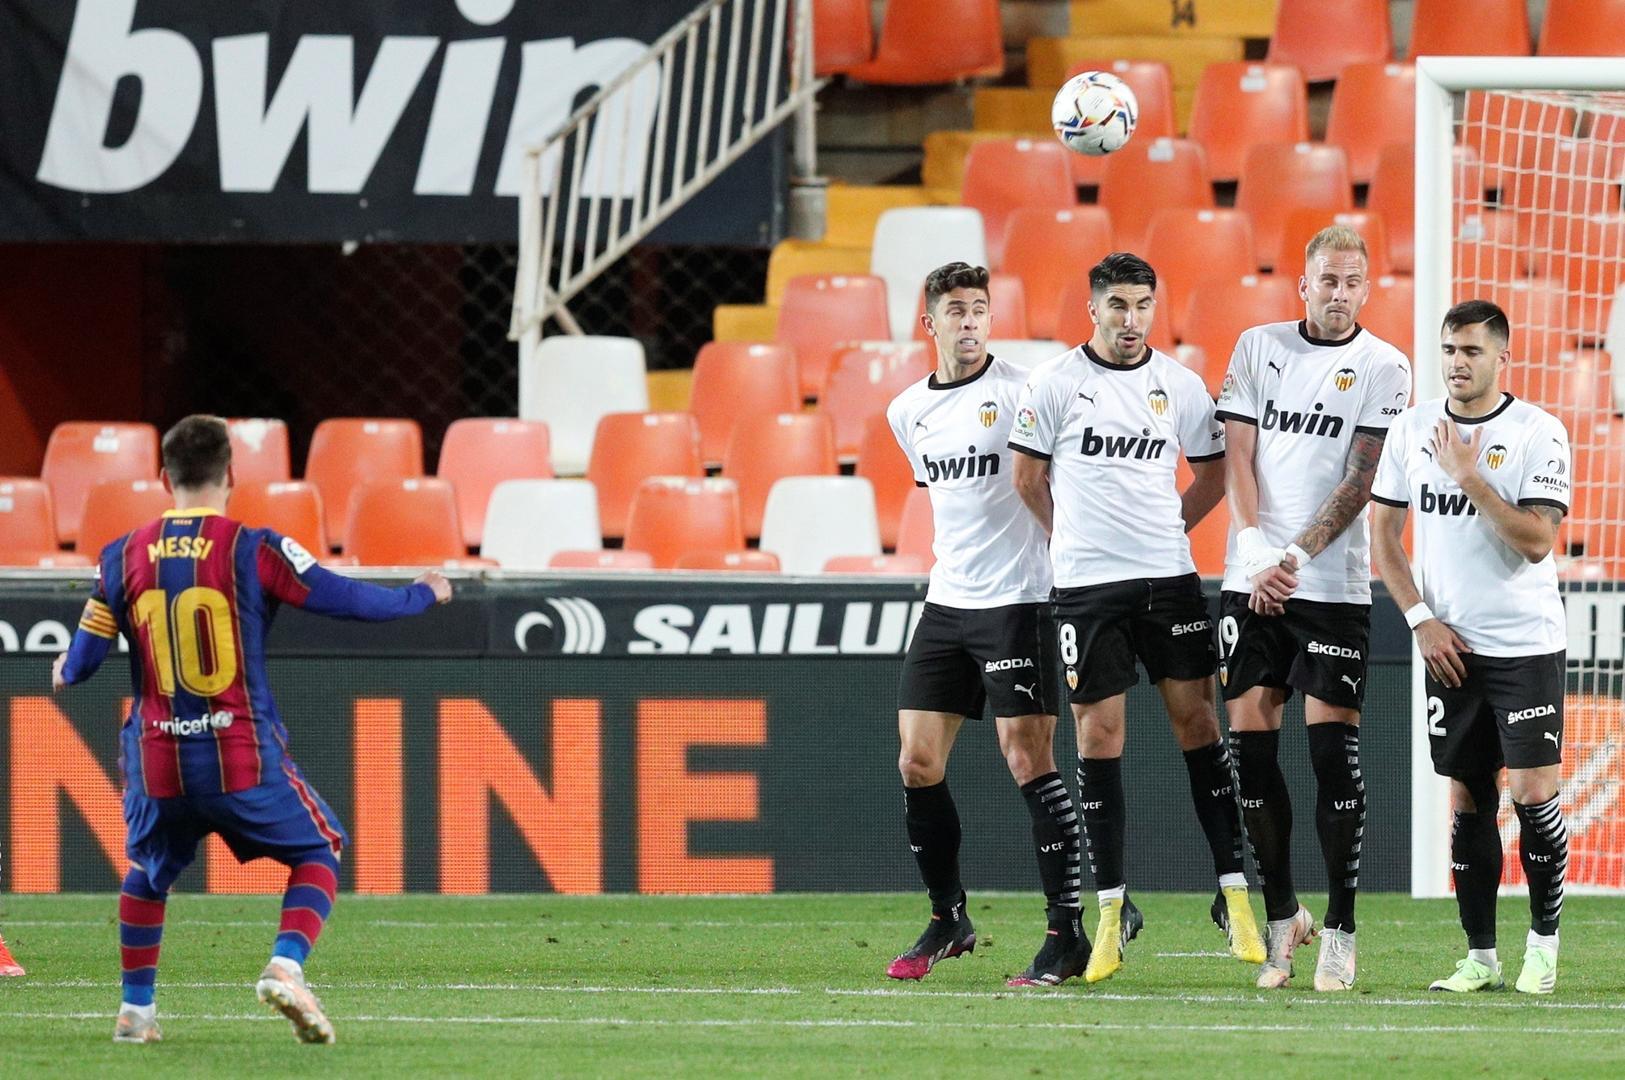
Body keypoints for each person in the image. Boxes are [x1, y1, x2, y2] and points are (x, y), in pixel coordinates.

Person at [51, 415, 452, 1044]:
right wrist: (422, 594)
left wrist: (63, 667)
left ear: (165, 479)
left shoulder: (119, 556)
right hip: (237, 753)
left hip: (157, 761)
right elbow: (349, 600)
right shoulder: (253, 548)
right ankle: (285, 965)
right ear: (231, 475)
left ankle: (136, 1012)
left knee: (148, 872)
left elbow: (79, 666)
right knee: (319, 850)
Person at [1010, 252, 1265, 984]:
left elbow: (1214, 473)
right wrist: (1072, 540)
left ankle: (1233, 897)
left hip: (1167, 582)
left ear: (1155, 308)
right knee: (1098, 734)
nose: (1131, 319)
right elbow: (1027, 478)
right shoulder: (1054, 384)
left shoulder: (1178, 385)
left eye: (1143, 305)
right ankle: (1112, 910)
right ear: (1092, 308)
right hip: (1088, 589)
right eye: (1118, 305)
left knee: (1200, 724)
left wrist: (1167, 530)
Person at [1213, 225, 1412, 991]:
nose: (1339, 293)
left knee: (1332, 758)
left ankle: (1340, 929)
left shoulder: (1384, 366)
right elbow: (1236, 459)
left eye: (1352, 281)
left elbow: (1360, 480)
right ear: (1303, 284)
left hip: (1329, 589)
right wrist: (1255, 553)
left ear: (1366, 289)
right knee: (1252, 759)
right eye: (1327, 279)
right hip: (1250, 582)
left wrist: (1290, 560)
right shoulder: (1255, 347)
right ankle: (1282, 918)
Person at [884, 262, 1086, 987]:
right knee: (916, 763)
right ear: (929, 323)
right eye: (955, 311)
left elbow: (1061, 480)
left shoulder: (1024, 392)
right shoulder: (907, 411)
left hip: (1020, 600)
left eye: (978, 309)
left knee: (1028, 759)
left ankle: (1066, 931)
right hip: (947, 602)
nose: (969, 322)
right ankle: (948, 918)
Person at [1370, 300, 1571, 995]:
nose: (1457, 363)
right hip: (1447, 647)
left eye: (1472, 351)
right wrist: (1419, 620)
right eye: (1449, 349)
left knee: (1533, 795)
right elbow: (1382, 537)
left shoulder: (1536, 432)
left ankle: (1541, 948)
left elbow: (1537, 541)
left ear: (1501, 358)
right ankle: (1480, 956)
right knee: (1466, 797)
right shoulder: (1409, 429)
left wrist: (1467, 475)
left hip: (1524, 646)